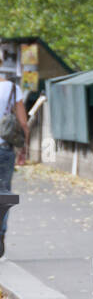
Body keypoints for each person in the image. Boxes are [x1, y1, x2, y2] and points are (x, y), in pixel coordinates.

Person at [0, 70, 29, 259]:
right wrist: (24, 149)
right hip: (4, 148)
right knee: (3, 193)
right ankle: (1, 232)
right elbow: (22, 122)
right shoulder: (11, 88)